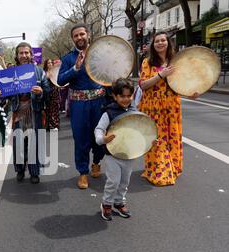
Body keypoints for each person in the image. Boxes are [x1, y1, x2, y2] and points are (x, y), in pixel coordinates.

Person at [138, 32, 198, 186]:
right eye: (157, 41)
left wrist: (192, 94)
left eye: (163, 40)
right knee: (158, 139)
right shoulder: (147, 62)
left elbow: (183, 84)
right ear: (153, 45)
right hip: (153, 107)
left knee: (172, 137)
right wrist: (161, 75)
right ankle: (157, 169)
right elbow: (143, 85)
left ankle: (172, 167)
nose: (160, 43)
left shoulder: (176, 62)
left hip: (172, 106)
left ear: (168, 42)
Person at [58, 23, 106, 189]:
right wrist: (75, 68)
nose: (79, 38)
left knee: (100, 138)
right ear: (73, 39)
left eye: (81, 34)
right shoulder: (68, 58)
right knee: (81, 139)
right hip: (78, 105)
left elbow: (109, 75)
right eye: (75, 36)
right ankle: (83, 173)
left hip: (99, 104)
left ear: (88, 35)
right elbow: (60, 80)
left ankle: (97, 162)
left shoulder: (100, 55)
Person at [0, 42, 50, 184]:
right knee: (19, 143)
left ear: (31, 54)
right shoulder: (10, 73)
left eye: (27, 53)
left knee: (34, 142)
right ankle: (20, 170)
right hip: (18, 112)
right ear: (17, 55)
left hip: (34, 111)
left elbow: (48, 92)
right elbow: (4, 97)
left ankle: (34, 172)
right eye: (21, 53)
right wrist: (0, 94)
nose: (24, 55)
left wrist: (41, 92)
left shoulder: (39, 72)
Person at [95, 79, 136, 221]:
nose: (126, 99)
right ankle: (106, 204)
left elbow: (140, 131)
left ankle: (119, 202)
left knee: (125, 181)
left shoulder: (134, 111)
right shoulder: (109, 112)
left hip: (128, 154)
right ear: (115, 96)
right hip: (113, 154)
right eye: (122, 96)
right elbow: (99, 129)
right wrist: (102, 139)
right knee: (113, 181)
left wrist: (149, 141)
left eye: (129, 96)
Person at [43, 59, 61, 131]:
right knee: (48, 109)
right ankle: (49, 125)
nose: (50, 64)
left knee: (55, 108)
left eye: (51, 62)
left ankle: (55, 125)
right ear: (46, 64)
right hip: (48, 93)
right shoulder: (44, 73)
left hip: (55, 92)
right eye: (48, 63)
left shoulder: (55, 71)